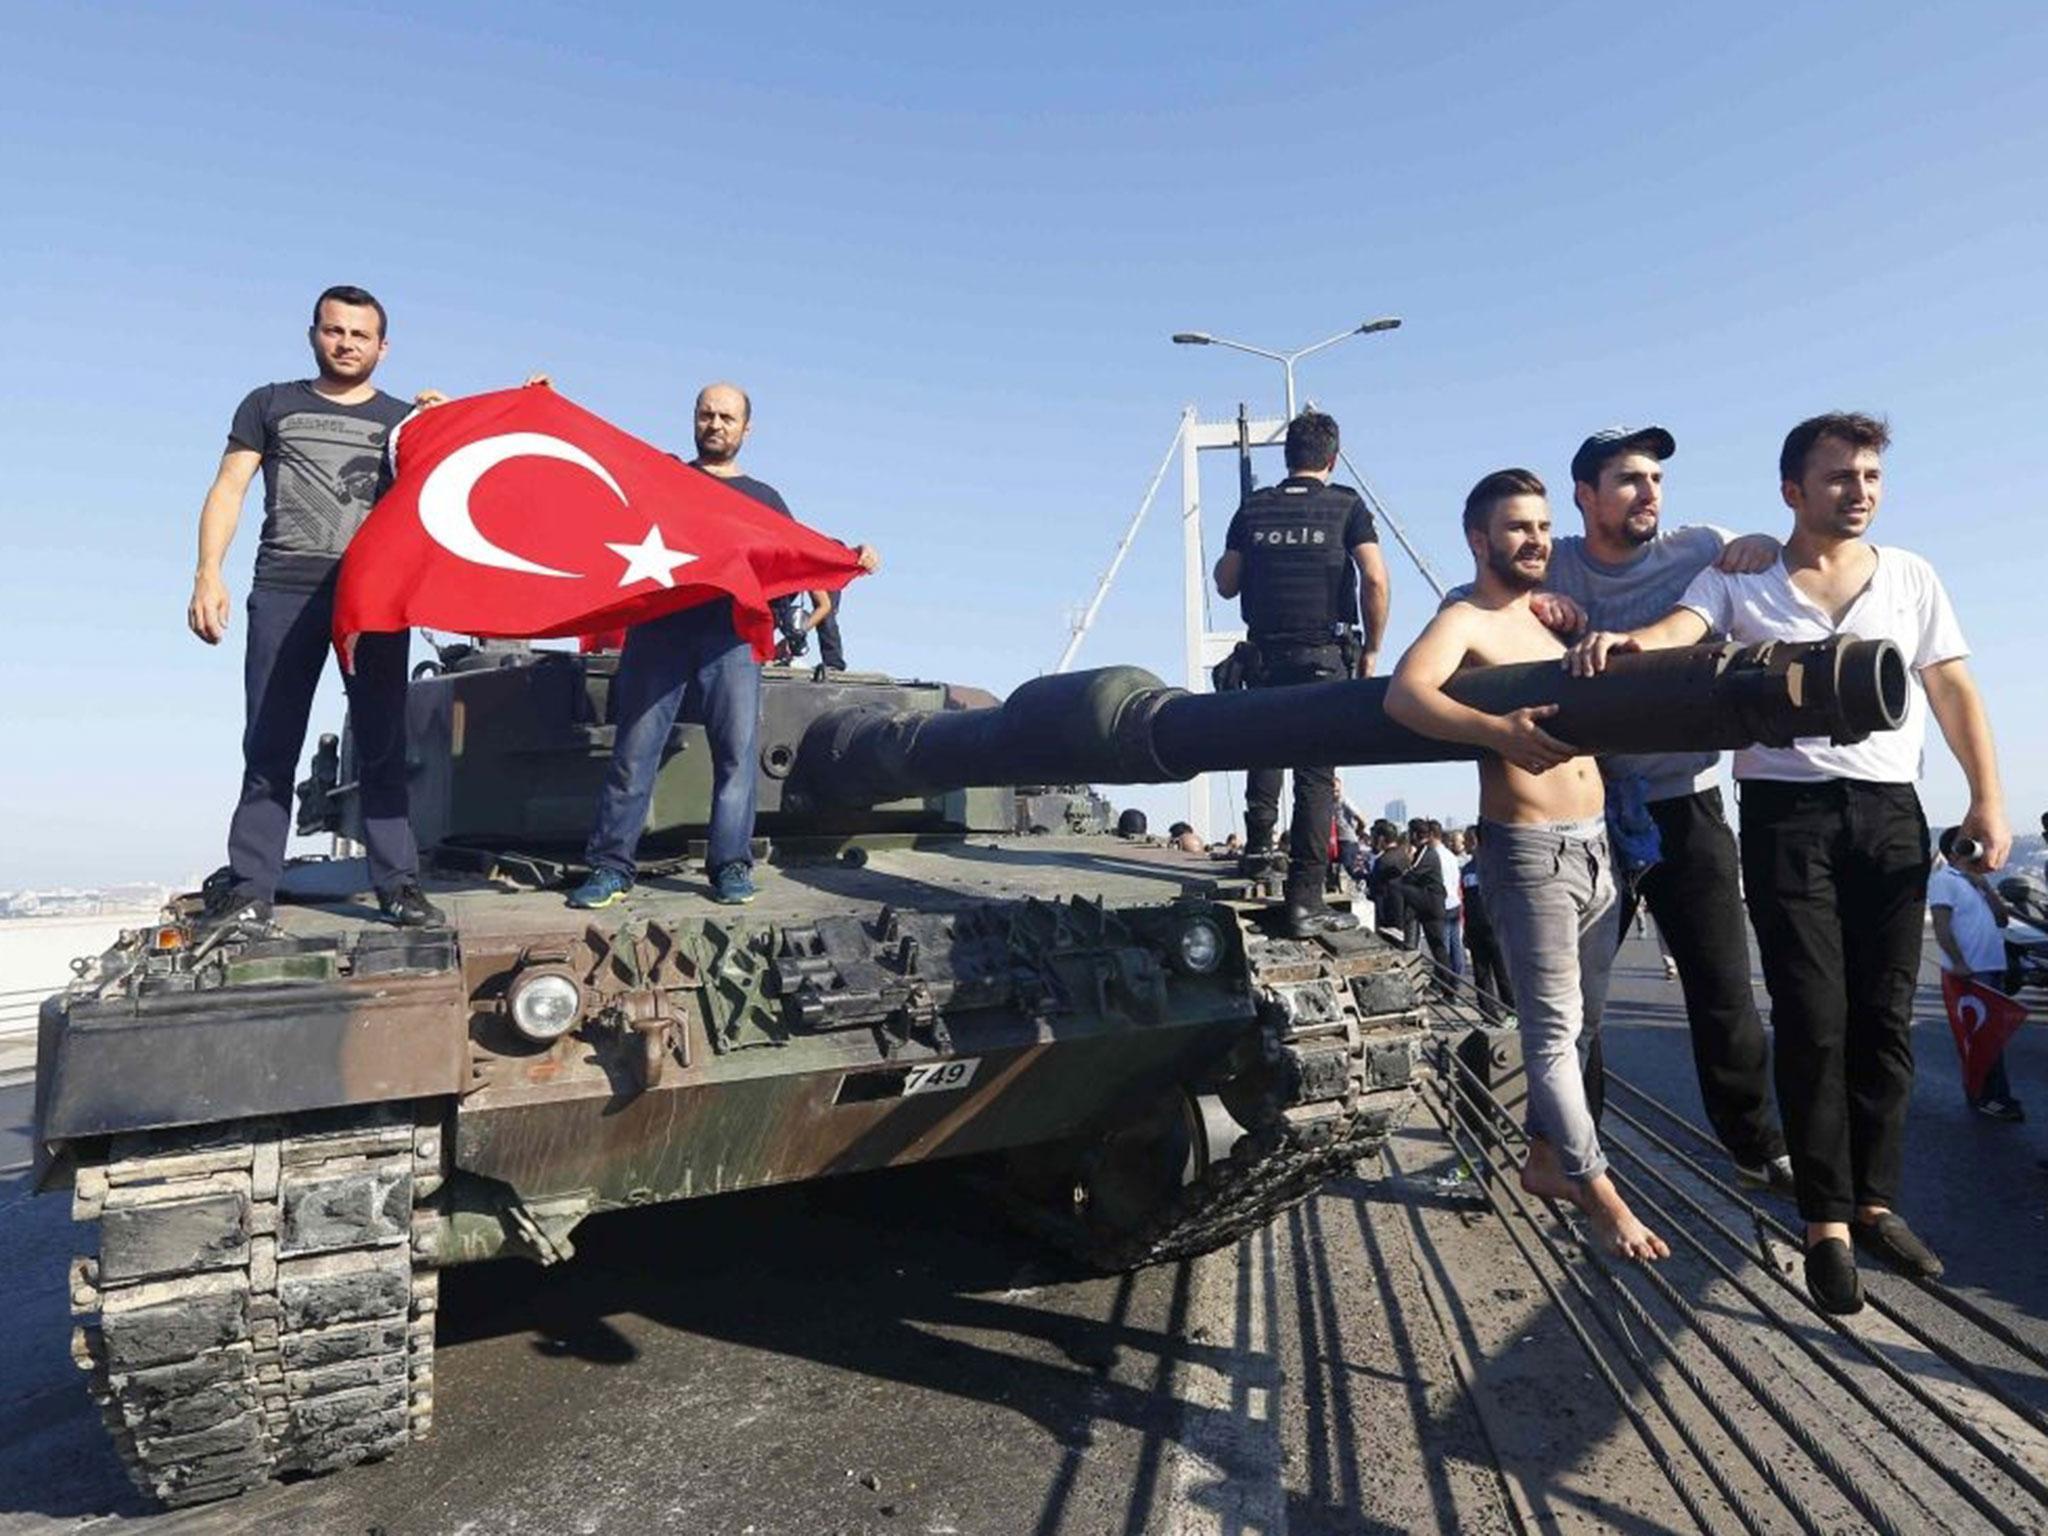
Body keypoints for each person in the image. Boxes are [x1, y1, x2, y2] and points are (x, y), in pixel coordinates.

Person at [1570, 411, 2010, 1311]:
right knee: (1811, 1016)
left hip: (1892, 813)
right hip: (1785, 813)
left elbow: (1952, 686)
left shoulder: (1912, 577)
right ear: (1793, 491)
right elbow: (1685, 625)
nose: (1859, 492)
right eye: (1840, 477)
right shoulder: (1747, 576)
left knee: (1883, 1019)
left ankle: (1875, 1201)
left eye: (1871, 478)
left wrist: (1986, 801)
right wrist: (1629, 646)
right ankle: (1825, 1224)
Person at [1387, 467, 1666, 1261]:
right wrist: (1496, 732)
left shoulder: (1550, 623)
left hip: (1594, 843)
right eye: (1517, 528)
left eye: (1542, 527)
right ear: (1479, 540)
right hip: (1531, 850)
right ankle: (1601, 1192)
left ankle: (1547, 1160)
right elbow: (1404, 697)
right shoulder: (1464, 616)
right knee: (1550, 1034)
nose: (1536, 540)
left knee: (1583, 1030)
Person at [1506, 426, 1794, 1191]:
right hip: (1586, 813)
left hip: (1686, 804)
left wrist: (1764, 540)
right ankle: (1572, 1153)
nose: (1650, 494)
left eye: (1656, 479)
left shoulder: (1701, 547)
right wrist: (1532, 600)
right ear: (1586, 496)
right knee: (1576, 1005)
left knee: (1723, 987)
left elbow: (1781, 560)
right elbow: (1466, 602)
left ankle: (1755, 1142)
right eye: (1630, 480)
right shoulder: (1554, 557)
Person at [188, 286, 443, 937]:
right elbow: (229, 486)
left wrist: (473, 416)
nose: (347, 343)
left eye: (361, 335)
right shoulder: (269, 403)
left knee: (383, 741)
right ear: (314, 335)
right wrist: (207, 572)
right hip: (284, 588)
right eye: (335, 330)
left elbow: (463, 476)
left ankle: (397, 883)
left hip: (372, 596)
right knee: (270, 741)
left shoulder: (402, 419)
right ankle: (252, 888)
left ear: (383, 347)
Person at [569, 383, 879, 909]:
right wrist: (553, 407)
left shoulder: (764, 499)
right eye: (707, 414)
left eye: (727, 417)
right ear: (694, 419)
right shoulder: (665, 475)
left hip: (730, 638)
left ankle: (730, 865)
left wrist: (850, 555)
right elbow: (601, 460)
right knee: (633, 754)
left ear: (746, 429)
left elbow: (799, 550)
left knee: (735, 758)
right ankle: (610, 867)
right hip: (659, 630)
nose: (715, 424)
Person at [1213, 410, 1391, 937]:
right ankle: (1304, 899)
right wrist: (1373, 651)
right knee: (1314, 776)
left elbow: (1225, 584)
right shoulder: (1346, 506)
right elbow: (1375, 580)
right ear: (1332, 459)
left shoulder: (1254, 507)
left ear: (1287, 457)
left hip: (1265, 655)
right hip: (1324, 657)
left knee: (1264, 747)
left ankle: (1258, 848)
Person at [1931, 826, 2023, 1120]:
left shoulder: (1973, 882)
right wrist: (1958, 962)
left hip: (1991, 967)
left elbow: (2001, 918)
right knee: (1982, 1038)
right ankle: (1989, 1097)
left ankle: (1988, 1094)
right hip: (1972, 972)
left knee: (1993, 1037)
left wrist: (1984, 885)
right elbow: (1941, 925)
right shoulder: (1945, 880)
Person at [1460, 823, 1516, 1022]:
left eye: (1468, 840)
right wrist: (1466, 929)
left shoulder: (1495, 865)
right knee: (1481, 974)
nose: (1465, 844)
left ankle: (1512, 1011)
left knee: (1502, 973)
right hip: (1475, 929)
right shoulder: (1466, 869)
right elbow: (1466, 901)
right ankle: (1487, 1014)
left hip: (1495, 927)